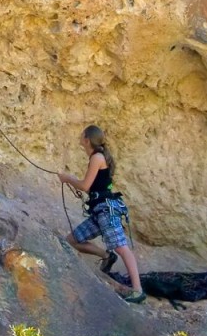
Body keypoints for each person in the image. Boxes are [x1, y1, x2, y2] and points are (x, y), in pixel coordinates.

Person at [58, 125, 146, 304]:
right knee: (72, 241)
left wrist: (66, 178)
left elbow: (85, 186)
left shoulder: (97, 157)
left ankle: (138, 290)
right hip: (99, 211)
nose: (80, 136)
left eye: (82, 134)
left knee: (122, 247)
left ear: (87, 139)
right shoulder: (96, 157)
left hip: (106, 210)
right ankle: (106, 256)